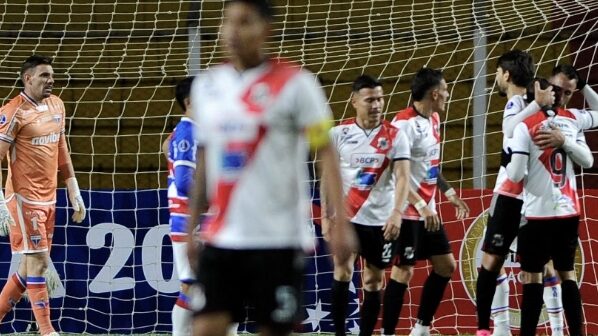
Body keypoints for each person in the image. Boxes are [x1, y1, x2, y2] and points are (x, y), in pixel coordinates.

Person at [185, 1, 357, 336]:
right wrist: (193, 227)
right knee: (205, 328)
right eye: (227, 22)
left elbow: (326, 152)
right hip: (223, 237)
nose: (232, 31)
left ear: (266, 29)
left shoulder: (297, 84)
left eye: (244, 22)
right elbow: (206, 157)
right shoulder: (207, 86)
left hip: (280, 239)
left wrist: (341, 222)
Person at [0, 55, 86, 336]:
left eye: (52, 75)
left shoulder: (57, 105)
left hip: (50, 197)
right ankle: (47, 330)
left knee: (27, 268)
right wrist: (0, 202)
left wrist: (73, 188)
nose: (51, 80)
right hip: (23, 200)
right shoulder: (13, 111)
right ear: (28, 78)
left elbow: (61, 148)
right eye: (44, 75)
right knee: (38, 262)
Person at [382, 67, 470, 336]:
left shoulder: (433, 120)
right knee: (403, 272)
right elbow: (394, 173)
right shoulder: (402, 125)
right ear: (434, 93)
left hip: (427, 210)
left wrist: (449, 191)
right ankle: (387, 333)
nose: (447, 94)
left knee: (446, 266)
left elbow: (429, 165)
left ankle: (420, 329)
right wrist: (419, 204)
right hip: (408, 211)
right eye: (445, 90)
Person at [474, 50, 555, 336]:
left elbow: (509, 129)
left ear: (506, 75)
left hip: (513, 196)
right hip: (536, 198)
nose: (495, 78)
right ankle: (503, 330)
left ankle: (484, 329)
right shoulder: (535, 105)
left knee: (492, 262)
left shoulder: (519, 104)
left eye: (497, 73)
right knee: (534, 269)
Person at [506, 78, 593, 336]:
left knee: (532, 278)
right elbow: (587, 161)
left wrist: (510, 159)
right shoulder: (571, 121)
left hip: (537, 214)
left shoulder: (524, 126)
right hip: (567, 212)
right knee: (567, 275)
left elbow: (516, 173)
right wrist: (564, 142)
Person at [324, 75, 410, 336]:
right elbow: (328, 178)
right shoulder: (338, 134)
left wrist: (397, 213)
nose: (376, 105)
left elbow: (404, 176)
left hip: (381, 221)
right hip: (347, 218)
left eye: (380, 99)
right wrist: (327, 218)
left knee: (373, 281)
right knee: (342, 271)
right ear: (354, 102)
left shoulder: (396, 135)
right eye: (370, 100)